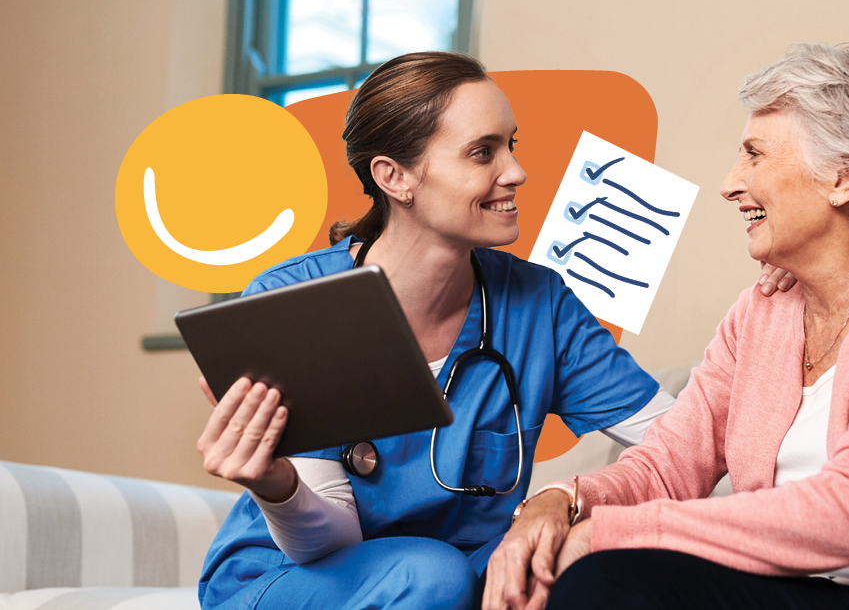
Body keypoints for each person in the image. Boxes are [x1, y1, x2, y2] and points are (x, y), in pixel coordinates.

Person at [485, 43, 849, 610]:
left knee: (602, 579)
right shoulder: (762, 311)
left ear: (845, 177)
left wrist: (606, 535)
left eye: (755, 155)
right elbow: (668, 467)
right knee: (571, 577)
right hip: (779, 587)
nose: (730, 183)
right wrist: (565, 502)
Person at [193, 51, 689, 610]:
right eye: (482, 152)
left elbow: (682, 443)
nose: (516, 172)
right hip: (297, 573)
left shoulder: (539, 305)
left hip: (460, 573)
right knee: (431, 575)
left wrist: (572, 502)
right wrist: (276, 484)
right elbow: (326, 542)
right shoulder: (293, 302)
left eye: (511, 145)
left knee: (573, 556)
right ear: (394, 177)